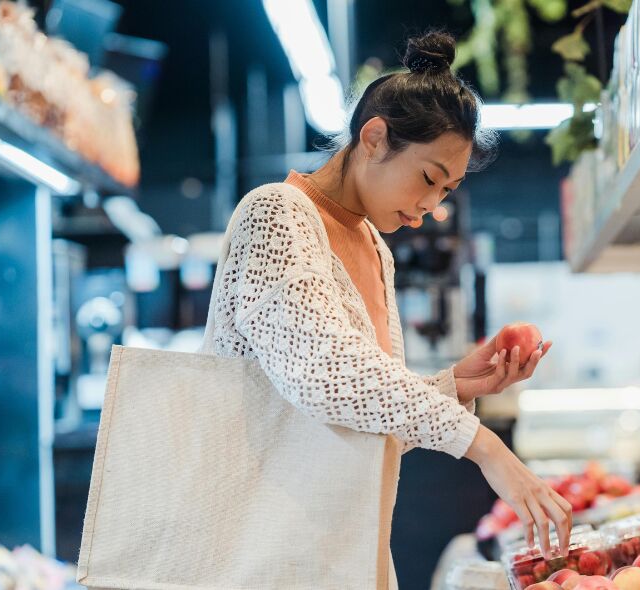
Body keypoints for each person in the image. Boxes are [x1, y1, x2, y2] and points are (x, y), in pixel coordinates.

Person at [208, 30, 573, 568]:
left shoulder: (376, 248)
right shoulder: (276, 214)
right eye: (428, 177)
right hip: (256, 557)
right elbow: (322, 372)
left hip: (341, 548)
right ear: (374, 137)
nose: (430, 205)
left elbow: (355, 426)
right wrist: (483, 446)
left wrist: (454, 385)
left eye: (445, 191)